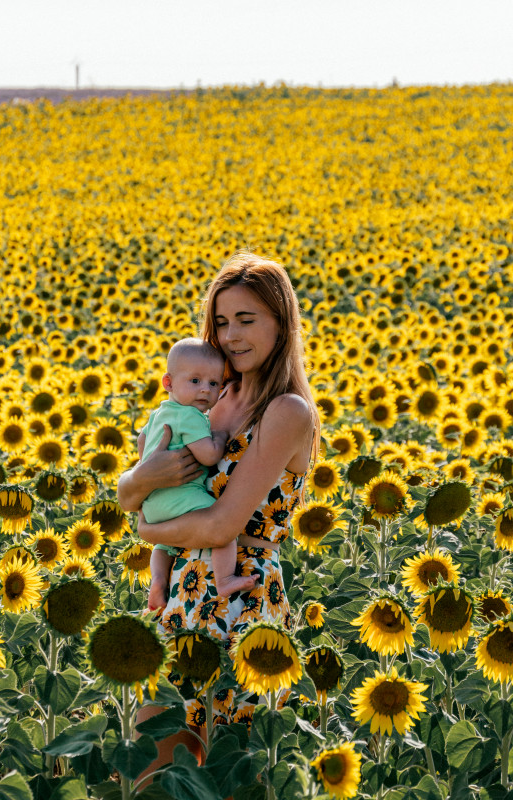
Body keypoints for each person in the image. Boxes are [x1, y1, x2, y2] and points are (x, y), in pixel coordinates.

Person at [117, 251, 319, 762]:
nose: (231, 335)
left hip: (240, 596)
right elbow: (131, 489)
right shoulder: (211, 398)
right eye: (222, 321)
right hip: (182, 587)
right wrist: (140, 481)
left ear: (282, 324)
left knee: (229, 770)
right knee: (157, 767)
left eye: (247, 320)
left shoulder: (287, 411)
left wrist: (146, 528)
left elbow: (224, 523)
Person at [139, 337, 258, 609]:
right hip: (182, 497)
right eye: (195, 381)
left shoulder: (160, 413)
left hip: (153, 503)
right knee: (222, 529)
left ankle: (158, 580)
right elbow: (208, 455)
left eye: (213, 383)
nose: (205, 390)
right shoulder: (190, 416)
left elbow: (142, 443)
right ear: (168, 383)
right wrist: (219, 438)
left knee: (162, 547)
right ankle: (226, 578)